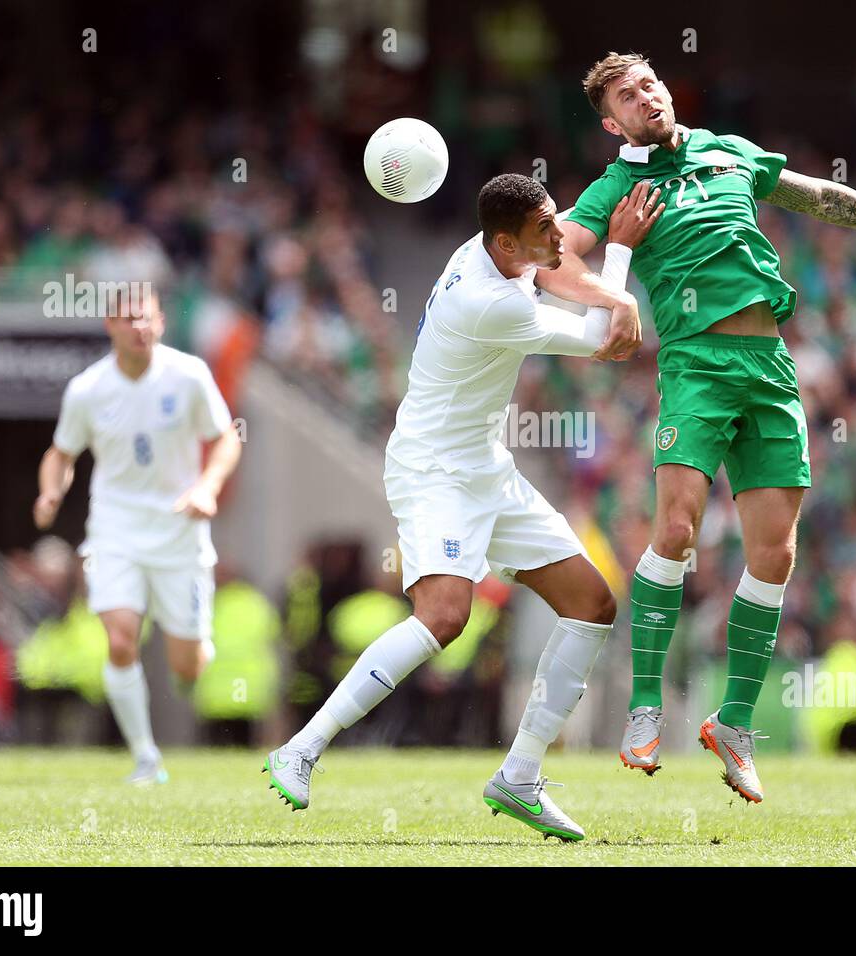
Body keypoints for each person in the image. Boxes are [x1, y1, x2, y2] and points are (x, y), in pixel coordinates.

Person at [537, 51, 856, 803]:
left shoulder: (726, 149)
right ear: (611, 121)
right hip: (695, 364)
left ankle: (734, 723)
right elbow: (550, 264)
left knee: (775, 553)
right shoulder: (617, 186)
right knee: (674, 532)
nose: (646, 95)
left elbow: (818, 196)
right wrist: (616, 274)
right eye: (627, 94)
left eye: (650, 81)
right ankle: (645, 708)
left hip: (769, 364)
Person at [263, 173, 661, 841]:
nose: (558, 237)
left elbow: (557, 274)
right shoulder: (489, 304)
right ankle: (301, 747)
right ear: (507, 241)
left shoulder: (486, 251)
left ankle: (520, 777)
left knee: (593, 605)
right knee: (445, 618)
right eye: (544, 231)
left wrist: (607, 288)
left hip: (486, 469)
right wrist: (618, 255)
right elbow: (605, 339)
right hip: (435, 473)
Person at [34, 291, 243, 783]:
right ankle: (146, 757)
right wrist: (49, 494)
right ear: (111, 325)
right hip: (115, 531)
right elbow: (61, 454)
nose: (138, 327)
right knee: (121, 639)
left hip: (179, 531)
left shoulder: (188, 375)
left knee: (188, 665)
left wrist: (208, 486)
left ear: (161, 322)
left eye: (146, 318)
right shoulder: (88, 390)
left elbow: (226, 437)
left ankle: (193, 653)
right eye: (128, 319)